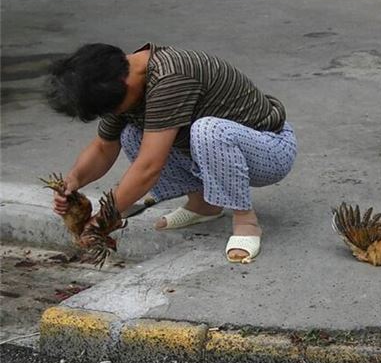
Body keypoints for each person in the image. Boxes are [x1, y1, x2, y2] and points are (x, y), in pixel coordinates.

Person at [47, 42, 297, 263]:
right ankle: (203, 206)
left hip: (270, 149)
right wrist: (74, 180)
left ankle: (245, 221)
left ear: (123, 84)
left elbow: (148, 167)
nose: (112, 114)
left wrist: (102, 220)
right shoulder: (121, 78)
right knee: (132, 134)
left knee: (207, 130)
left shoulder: (171, 78)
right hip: (219, 152)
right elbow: (104, 147)